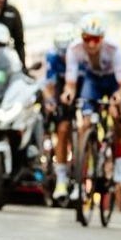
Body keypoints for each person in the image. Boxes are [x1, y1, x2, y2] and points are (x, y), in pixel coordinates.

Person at [61, 15, 121, 195]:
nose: (91, 45)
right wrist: (68, 93)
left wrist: (117, 98)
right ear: (82, 36)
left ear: (103, 38)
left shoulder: (114, 49)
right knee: (85, 124)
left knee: (117, 116)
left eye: (96, 39)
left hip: (113, 81)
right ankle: (80, 179)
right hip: (93, 81)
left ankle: (120, 163)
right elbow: (71, 83)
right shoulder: (74, 49)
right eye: (87, 39)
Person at [44, 23, 78, 203]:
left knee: (81, 129)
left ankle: (81, 166)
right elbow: (48, 86)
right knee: (63, 128)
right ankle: (61, 179)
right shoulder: (52, 56)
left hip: (79, 88)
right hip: (60, 90)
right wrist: (50, 102)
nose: (66, 57)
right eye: (62, 53)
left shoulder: (81, 54)